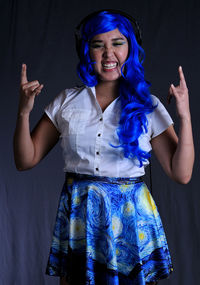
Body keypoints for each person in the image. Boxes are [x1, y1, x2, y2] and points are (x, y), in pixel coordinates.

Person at [13, 9, 194, 285]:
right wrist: (24, 112)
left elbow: (181, 174)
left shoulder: (148, 106)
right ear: (87, 51)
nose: (108, 54)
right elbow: (25, 159)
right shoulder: (67, 101)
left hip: (131, 219)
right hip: (81, 218)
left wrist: (185, 116)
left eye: (117, 43)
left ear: (131, 48)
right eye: (98, 45)